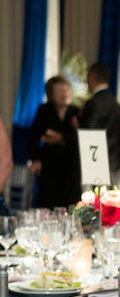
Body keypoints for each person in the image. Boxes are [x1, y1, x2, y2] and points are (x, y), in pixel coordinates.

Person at [28, 75, 81, 208]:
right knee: (48, 202)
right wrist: (35, 159)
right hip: (50, 166)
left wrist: (62, 139)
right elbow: (33, 137)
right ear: (51, 95)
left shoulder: (76, 112)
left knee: (72, 204)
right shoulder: (44, 110)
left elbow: (82, 138)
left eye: (67, 90)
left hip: (71, 167)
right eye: (60, 91)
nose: (64, 94)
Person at [80, 62, 120, 172]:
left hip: (95, 162)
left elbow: (88, 134)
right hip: (114, 159)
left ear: (91, 77)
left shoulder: (93, 103)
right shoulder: (116, 103)